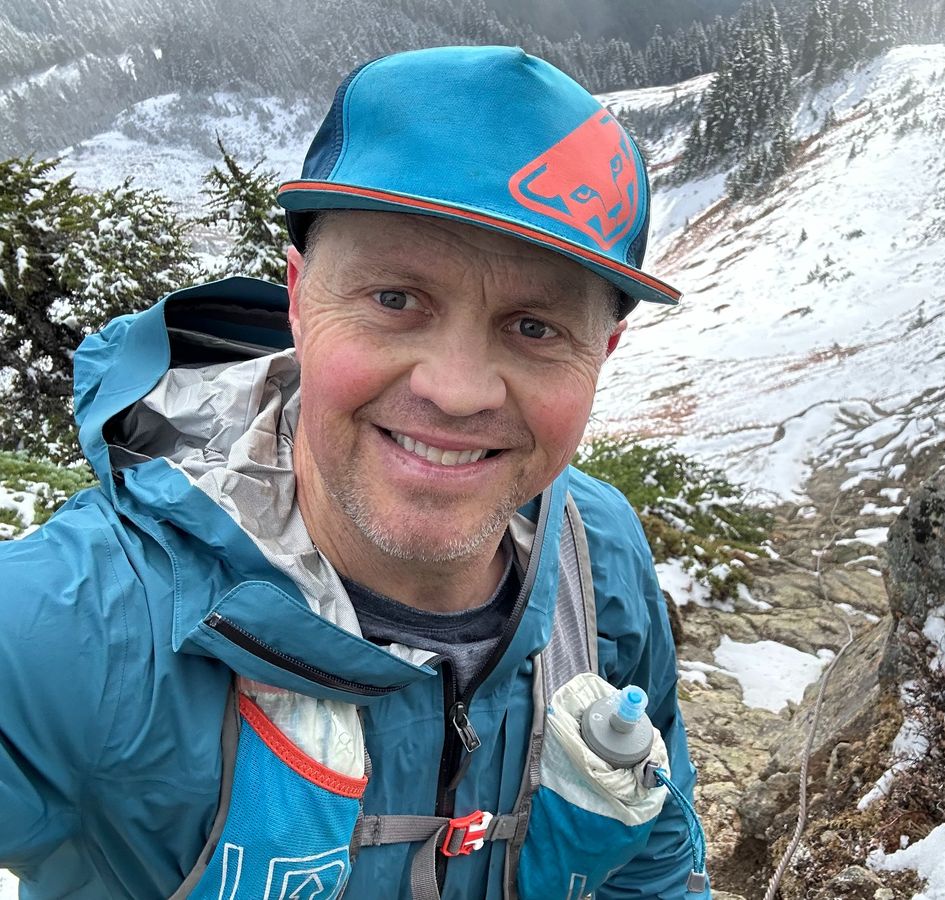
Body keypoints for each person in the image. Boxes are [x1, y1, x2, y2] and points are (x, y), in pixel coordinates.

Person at [0, 46, 709, 899]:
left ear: (604, 351)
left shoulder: (597, 558)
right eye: (395, 299)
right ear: (299, 296)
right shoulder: (83, 624)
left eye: (535, 328)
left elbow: (653, 859)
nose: (456, 391)